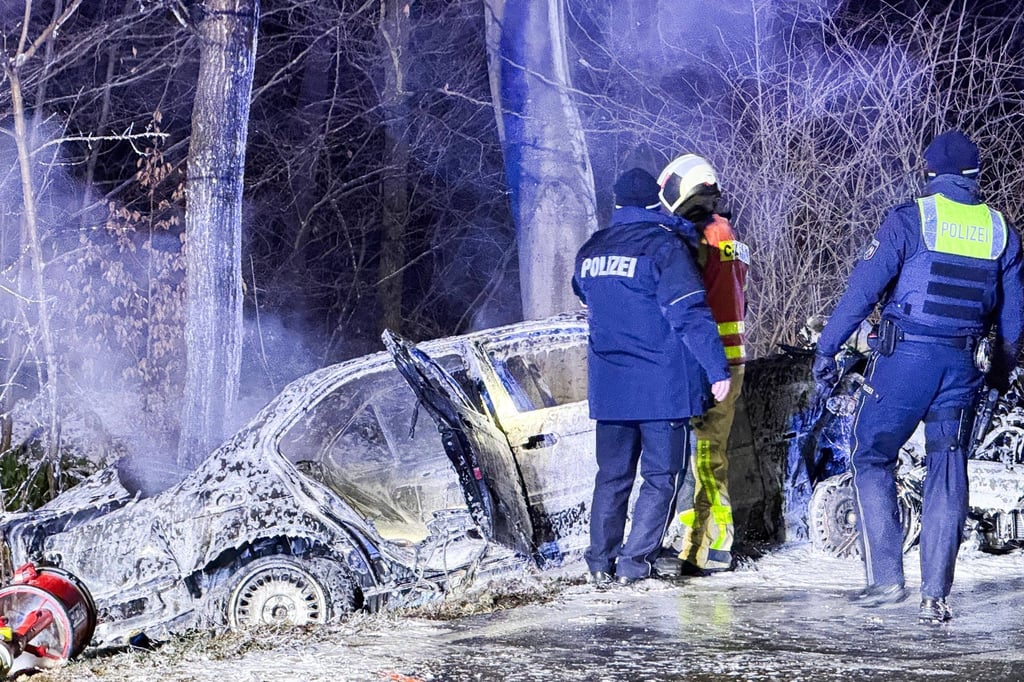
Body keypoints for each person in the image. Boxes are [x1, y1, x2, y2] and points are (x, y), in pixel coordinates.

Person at [812, 130, 1024, 624]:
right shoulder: (1002, 231)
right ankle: (935, 595)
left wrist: (826, 351)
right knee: (947, 468)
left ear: (928, 175)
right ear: (974, 178)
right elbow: (1014, 324)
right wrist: (997, 374)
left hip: (904, 361)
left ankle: (886, 580)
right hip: (962, 368)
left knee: (870, 453)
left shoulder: (909, 220)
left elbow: (860, 294)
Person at [573, 167, 731, 586]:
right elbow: (690, 314)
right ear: (654, 200)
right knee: (662, 478)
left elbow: (580, 289)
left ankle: (599, 562)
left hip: (610, 389)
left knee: (612, 477)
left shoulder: (590, 250)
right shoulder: (663, 247)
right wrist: (717, 369)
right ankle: (633, 562)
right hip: (662, 387)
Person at [657, 154, 750, 574]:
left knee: (703, 458)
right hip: (732, 357)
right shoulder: (727, 233)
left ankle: (700, 550)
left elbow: (686, 301)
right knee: (712, 455)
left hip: (707, 361)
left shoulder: (698, 238)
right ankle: (716, 544)